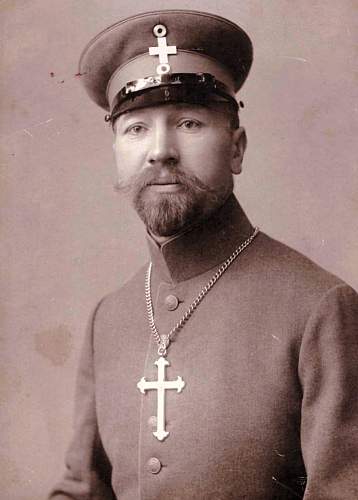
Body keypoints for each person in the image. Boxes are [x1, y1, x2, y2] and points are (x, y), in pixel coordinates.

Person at [48, 9, 358, 500]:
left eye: (189, 123)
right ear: (117, 153)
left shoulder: (320, 307)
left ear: (236, 149)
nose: (161, 151)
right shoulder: (109, 317)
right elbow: (83, 489)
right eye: (135, 129)